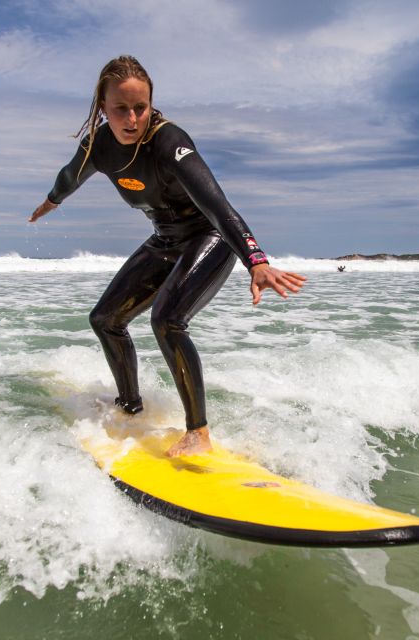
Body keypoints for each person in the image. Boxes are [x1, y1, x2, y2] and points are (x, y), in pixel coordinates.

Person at [29, 55, 305, 457]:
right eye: (120, 108)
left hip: (210, 237)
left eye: (140, 107)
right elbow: (71, 174)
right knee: (105, 319)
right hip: (166, 239)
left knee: (167, 320)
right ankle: (130, 406)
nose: (132, 118)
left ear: (151, 104)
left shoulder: (169, 141)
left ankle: (199, 433)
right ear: (102, 107)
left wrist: (256, 260)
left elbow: (216, 205)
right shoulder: (99, 146)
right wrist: (52, 201)